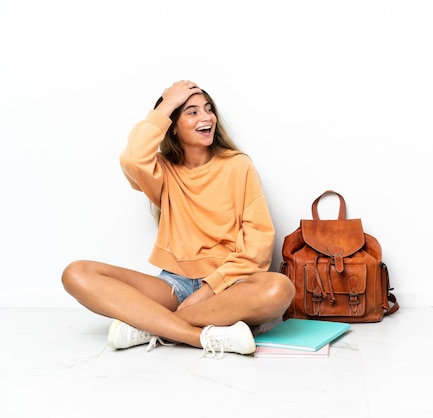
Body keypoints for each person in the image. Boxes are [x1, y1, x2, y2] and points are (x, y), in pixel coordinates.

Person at [62, 80, 295, 358]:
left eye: (208, 109)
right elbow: (133, 158)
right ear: (173, 124)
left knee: (279, 289)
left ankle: (151, 325)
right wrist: (168, 103)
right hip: (175, 284)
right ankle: (198, 336)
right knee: (76, 273)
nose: (206, 117)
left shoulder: (238, 165)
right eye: (192, 112)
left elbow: (258, 244)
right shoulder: (162, 171)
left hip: (229, 287)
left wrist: (210, 289)